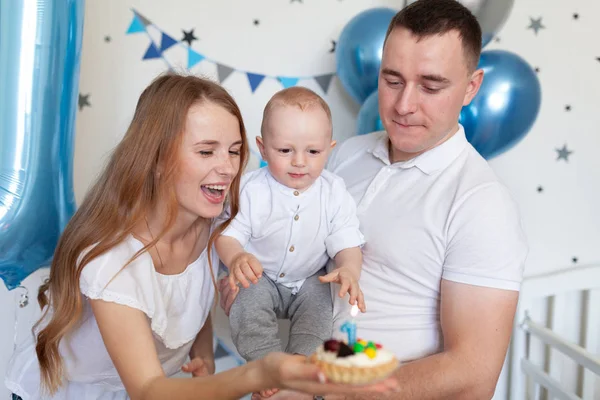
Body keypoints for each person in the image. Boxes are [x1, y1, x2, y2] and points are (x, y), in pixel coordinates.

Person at [4, 74, 395, 400]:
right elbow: (147, 390)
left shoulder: (216, 226)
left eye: (235, 151)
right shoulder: (112, 262)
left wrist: (202, 352)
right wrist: (260, 373)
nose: (227, 168)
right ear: (157, 159)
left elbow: (190, 295)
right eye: (206, 152)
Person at [220, 1, 529, 399]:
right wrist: (247, 286)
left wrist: (334, 389)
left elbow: (473, 373)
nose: (403, 106)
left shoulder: (481, 203)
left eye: (431, 86)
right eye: (393, 79)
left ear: (471, 87)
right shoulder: (346, 155)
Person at [215, 87, 366, 398]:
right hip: (262, 276)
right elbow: (227, 235)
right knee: (247, 302)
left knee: (321, 308)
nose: (299, 162)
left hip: (309, 278)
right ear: (263, 148)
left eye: (313, 152)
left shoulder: (334, 191)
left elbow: (346, 239)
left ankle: (301, 361)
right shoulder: (251, 190)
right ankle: (266, 364)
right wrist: (236, 258)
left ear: (330, 149)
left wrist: (349, 270)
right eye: (285, 151)